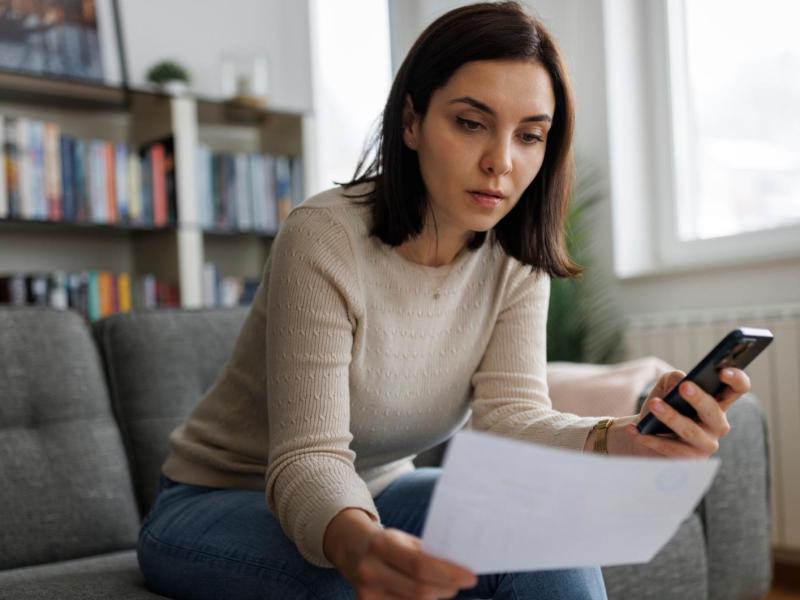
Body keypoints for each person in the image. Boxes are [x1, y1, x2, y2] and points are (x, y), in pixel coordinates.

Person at [137, 3, 751, 599]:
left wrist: (623, 436)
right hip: (216, 501)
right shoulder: (324, 237)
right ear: (412, 121)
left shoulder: (514, 259)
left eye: (530, 135)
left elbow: (510, 415)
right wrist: (364, 547)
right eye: (471, 123)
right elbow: (308, 458)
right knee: (347, 579)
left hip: (381, 491)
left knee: (542, 533)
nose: (500, 162)